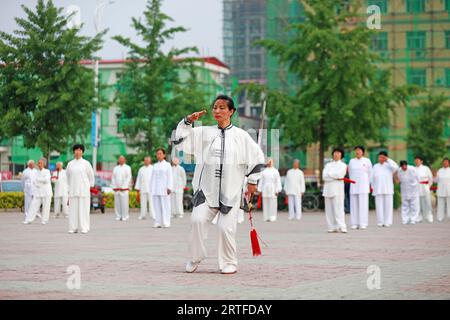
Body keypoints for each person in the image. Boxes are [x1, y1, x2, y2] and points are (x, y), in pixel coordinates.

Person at [174, 94, 265, 274]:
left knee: (225, 228)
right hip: (206, 191)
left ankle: (229, 262)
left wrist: (253, 181)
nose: (217, 110)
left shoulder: (241, 136)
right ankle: (195, 257)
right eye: (215, 107)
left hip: (230, 192)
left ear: (231, 112)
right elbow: (180, 142)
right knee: (197, 220)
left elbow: (257, 157)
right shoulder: (204, 133)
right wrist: (187, 121)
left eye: (222, 107)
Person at [66, 144, 95, 234]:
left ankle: (84, 227)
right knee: (73, 210)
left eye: (80, 150)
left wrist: (89, 187)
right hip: (73, 190)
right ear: (74, 152)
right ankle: (73, 227)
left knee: (84, 210)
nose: (78, 152)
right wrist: (68, 190)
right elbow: (67, 178)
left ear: (82, 152)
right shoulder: (70, 164)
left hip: (84, 191)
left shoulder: (86, 163)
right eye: (76, 150)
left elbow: (91, 176)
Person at [322, 148, 348, 233]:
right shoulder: (328, 165)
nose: (336, 154)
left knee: (339, 208)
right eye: (335, 153)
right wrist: (333, 176)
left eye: (338, 153)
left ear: (341, 155)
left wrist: (330, 175)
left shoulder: (343, 165)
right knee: (329, 209)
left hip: (337, 189)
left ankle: (342, 226)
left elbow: (340, 175)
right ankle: (332, 227)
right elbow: (324, 176)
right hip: (328, 189)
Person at [371, 151, 398, 227]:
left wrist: (388, 160)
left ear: (386, 157)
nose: (380, 158)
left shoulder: (389, 166)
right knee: (379, 206)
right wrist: (372, 187)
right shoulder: (375, 166)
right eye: (379, 157)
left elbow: (396, 167)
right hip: (378, 189)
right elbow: (372, 178)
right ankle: (380, 222)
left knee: (388, 206)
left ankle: (387, 221)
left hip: (388, 189)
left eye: (382, 157)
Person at [348, 146, 372, 230]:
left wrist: (370, 185)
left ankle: (363, 223)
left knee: (363, 205)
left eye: (359, 150)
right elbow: (350, 173)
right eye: (356, 150)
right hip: (354, 185)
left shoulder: (367, 161)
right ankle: (354, 223)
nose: (357, 152)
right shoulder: (351, 161)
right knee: (354, 205)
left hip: (364, 186)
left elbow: (370, 174)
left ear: (363, 152)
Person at [23, 158, 52, 225]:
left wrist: (38, 180)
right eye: (38, 163)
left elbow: (46, 180)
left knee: (46, 207)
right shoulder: (36, 172)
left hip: (46, 192)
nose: (39, 164)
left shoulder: (47, 171)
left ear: (44, 164)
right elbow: (34, 182)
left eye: (41, 163)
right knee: (33, 205)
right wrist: (40, 181)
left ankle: (44, 220)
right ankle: (28, 219)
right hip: (38, 192)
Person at [151, 148, 173, 228]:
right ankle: (158, 222)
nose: (159, 155)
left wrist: (169, 187)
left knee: (166, 206)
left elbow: (170, 177)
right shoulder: (155, 165)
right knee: (157, 206)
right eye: (157, 154)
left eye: (160, 154)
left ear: (164, 155)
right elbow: (152, 178)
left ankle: (166, 222)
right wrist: (152, 188)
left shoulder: (167, 165)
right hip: (156, 189)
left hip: (164, 189)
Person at [397, 160, 420, 225]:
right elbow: (399, 179)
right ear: (401, 166)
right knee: (405, 206)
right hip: (404, 190)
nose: (404, 167)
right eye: (402, 166)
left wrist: (416, 186)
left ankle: (413, 219)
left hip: (413, 190)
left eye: (405, 166)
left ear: (407, 165)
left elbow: (418, 178)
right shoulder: (399, 170)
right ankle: (405, 220)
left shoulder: (412, 169)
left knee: (414, 206)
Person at [111, 155, 132, 222]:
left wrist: (124, 186)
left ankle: (125, 216)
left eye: (122, 159)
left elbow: (128, 178)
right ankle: (118, 215)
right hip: (117, 188)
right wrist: (114, 186)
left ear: (124, 160)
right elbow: (113, 178)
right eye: (119, 159)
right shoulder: (115, 168)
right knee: (117, 203)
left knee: (124, 203)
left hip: (124, 189)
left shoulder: (127, 168)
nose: (120, 160)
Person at [135, 156, 155, 220]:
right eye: (145, 160)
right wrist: (137, 189)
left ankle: (153, 215)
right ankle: (142, 215)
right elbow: (138, 179)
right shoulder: (141, 169)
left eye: (147, 160)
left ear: (150, 161)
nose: (146, 161)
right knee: (143, 203)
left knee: (152, 203)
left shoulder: (153, 168)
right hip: (143, 188)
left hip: (151, 189)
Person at [414, 156, 433, 223]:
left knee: (427, 201)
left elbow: (430, 178)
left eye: (418, 161)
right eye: (415, 161)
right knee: (418, 202)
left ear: (421, 161)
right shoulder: (414, 169)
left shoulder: (426, 168)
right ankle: (419, 216)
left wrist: (428, 186)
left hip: (425, 186)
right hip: (417, 187)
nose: (416, 162)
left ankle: (429, 215)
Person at [436, 157, 450, 222]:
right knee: (440, 204)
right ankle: (440, 217)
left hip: (448, 189)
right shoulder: (439, 171)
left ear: (449, 163)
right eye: (444, 162)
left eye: (446, 162)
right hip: (441, 189)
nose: (445, 163)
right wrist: (434, 175)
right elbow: (436, 180)